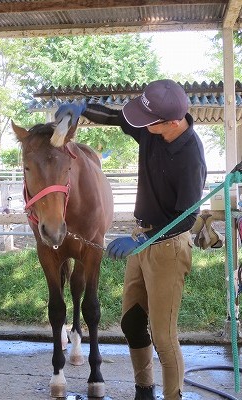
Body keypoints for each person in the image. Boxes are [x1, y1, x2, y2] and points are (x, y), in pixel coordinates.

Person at [55, 79, 207, 400]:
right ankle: (144, 389)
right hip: (141, 237)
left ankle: (173, 396)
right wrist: (83, 109)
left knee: (164, 337)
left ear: (172, 123)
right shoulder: (151, 131)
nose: (140, 124)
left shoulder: (190, 156)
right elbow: (115, 117)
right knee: (132, 323)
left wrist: (144, 241)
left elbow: (189, 216)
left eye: (147, 120)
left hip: (168, 245)